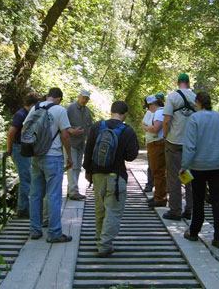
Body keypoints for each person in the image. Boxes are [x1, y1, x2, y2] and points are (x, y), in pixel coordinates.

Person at [83, 101, 139, 257]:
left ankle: (100, 237)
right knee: (113, 211)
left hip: (97, 174)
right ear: (125, 114)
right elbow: (131, 156)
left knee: (100, 209)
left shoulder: (96, 127)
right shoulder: (128, 131)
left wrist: (88, 171)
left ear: (111, 111)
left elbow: (88, 151)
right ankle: (105, 245)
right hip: (116, 176)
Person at [181, 92, 219, 248]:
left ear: (198, 103)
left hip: (198, 166)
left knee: (198, 200)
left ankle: (194, 232)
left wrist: (184, 166)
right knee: (218, 200)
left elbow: (190, 146)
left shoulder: (194, 119)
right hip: (218, 165)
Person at [25, 87, 73, 243]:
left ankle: (35, 230)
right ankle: (54, 233)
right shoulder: (60, 110)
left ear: (47, 96)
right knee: (53, 196)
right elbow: (65, 135)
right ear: (59, 98)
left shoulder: (35, 108)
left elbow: (25, 129)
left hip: (36, 156)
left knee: (35, 195)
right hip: (53, 156)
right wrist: (69, 157)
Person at [163, 73, 196, 221]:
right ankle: (190, 209)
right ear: (188, 83)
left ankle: (175, 210)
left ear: (178, 83)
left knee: (174, 176)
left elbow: (166, 120)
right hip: (190, 143)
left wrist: (165, 135)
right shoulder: (196, 98)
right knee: (188, 176)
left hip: (174, 141)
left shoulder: (172, 97)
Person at [6, 92, 40, 218]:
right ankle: (22, 209)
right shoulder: (21, 115)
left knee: (27, 178)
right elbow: (11, 133)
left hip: (24, 148)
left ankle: (24, 208)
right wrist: (9, 150)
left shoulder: (27, 114)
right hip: (19, 148)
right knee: (26, 179)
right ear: (33, 104)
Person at [66, 90, 93, 200]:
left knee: (77, 167)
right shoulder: (70, 108)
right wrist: (72, 131)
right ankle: (73, 192)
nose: (84, 100)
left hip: (81, 143)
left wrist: (91, 140)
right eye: (83, 98)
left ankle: (71, 190)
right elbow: (62, 124)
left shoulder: (87, 111)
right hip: (70, 142)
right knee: (72, 166)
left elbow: (89, 127)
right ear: (79, 97)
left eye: (86, 99)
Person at [142, 95, 167, 207]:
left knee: (158, 172)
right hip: (156, 143)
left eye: (148, 106)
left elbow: (156, 128)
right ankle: (158, 195)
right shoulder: (160, 112)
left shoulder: (158, 112)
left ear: (152, 104)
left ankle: (160, 198)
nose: (148, 109)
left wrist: (147, 128)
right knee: (156, 171)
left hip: (157, 143)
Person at [142, 97, 154, 192]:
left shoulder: (151, 112)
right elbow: (143, 125)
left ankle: (150, 184)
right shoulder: (149, 113)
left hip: (154, 141)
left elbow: (144, 126)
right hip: (151, 141)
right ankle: (150, 184)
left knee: (152, 165)